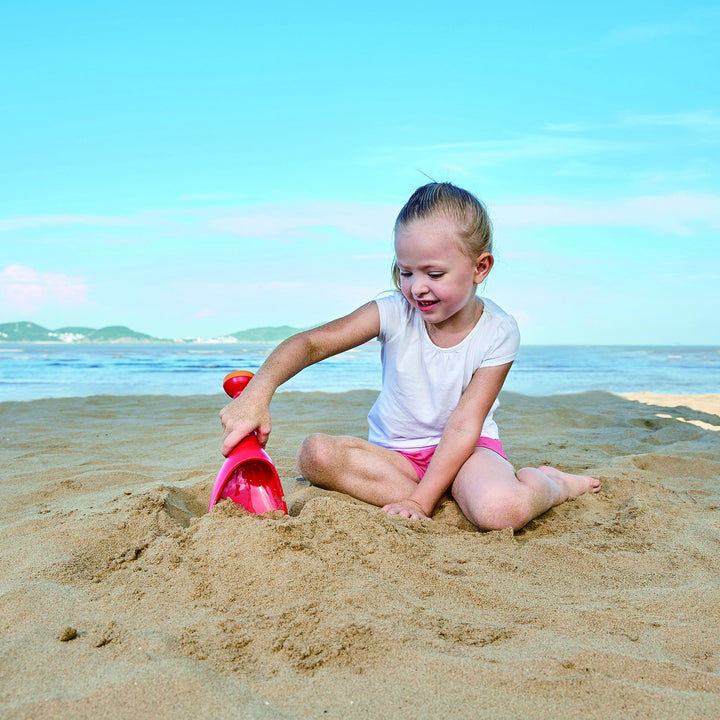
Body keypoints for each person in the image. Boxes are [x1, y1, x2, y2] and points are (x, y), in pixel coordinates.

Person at [220, 183, 601, 531]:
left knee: (500, 511)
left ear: (480, 267)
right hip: (397, 459)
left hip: (469, 452)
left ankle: (553, 484)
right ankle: (447, 494)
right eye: (405, 272)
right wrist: (258, 391)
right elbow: (311, 344)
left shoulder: (498, 329)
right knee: (314, 454)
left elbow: (464, 425)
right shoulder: (392, 311)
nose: (417, 288)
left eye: (435, 274)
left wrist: (419, 500)